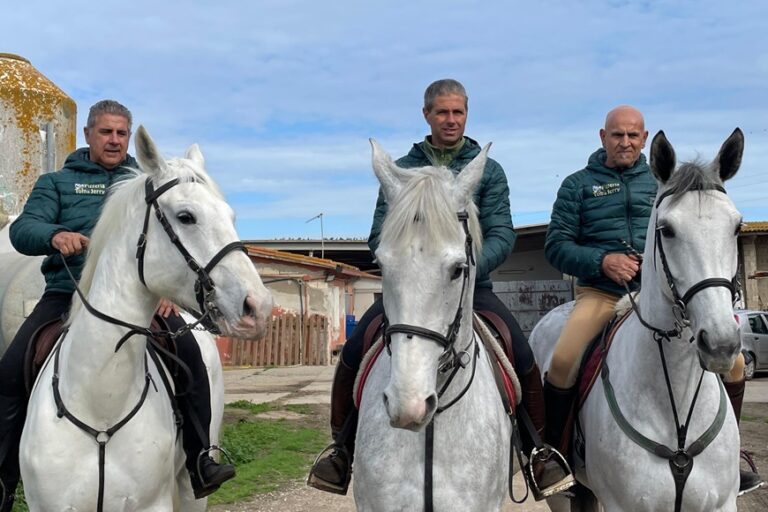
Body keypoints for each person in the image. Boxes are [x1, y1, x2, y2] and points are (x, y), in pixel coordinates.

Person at [308, 79, 572, 498]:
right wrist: (411, 267)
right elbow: (379, 234)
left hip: (470, 285)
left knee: (519, 352)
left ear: (467, 115)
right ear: (427, 114)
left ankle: (538, 453)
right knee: (356, 350)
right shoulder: (402, 170)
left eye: (458, 112)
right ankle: (340, 451)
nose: (451, 120)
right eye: (442, 112)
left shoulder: (490, 171)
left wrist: (464, 268)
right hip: (410, 289)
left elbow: (502, 232)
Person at [0, 100, 234, 511]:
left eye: (121, 133)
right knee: (10, 371)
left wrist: (164, 287)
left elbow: (168, 241)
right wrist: (54, 234)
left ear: (129, 138)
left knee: (193, 360)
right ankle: (4, 477)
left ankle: (200, 461)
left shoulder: (147, 181)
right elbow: (23, 229)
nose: (113, 140)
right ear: (88, 134)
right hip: (65, 294)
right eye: (105, 132)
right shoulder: (57, 183)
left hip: (144, 300)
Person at [544, 104, 763, 495]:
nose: (625, 142)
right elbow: (556, 245)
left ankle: (732, 454)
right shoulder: (578, 185)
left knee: (735, 363)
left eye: (632, 135)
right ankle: (556, 460)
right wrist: (602, 260)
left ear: (645, 141)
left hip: (661, 295)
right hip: (601, 292)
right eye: (617, 135)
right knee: (562, 361)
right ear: (603, 137)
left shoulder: (665, 183)